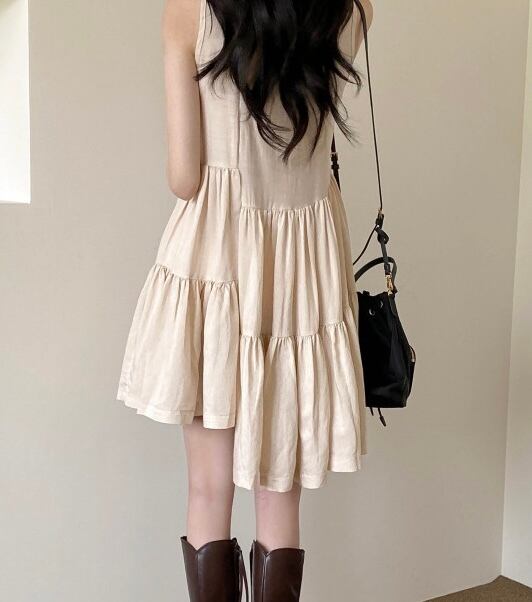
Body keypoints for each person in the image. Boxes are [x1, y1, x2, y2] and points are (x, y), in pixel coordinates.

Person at [117, 0, 373, 599]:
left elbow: (186, 177)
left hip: (217, 264)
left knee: (208, 489)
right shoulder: (353, 10)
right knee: (279, 493)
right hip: (301, 274)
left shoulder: (189, 10)